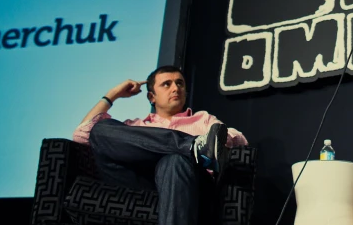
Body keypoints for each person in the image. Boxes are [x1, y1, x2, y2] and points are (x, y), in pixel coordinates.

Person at [73, 65, 248, 225]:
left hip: (187, 182)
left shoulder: (203, 119)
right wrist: (113, 94)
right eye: (167, 84)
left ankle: (191, 150)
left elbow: (238, 139)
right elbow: (82, 134)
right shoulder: (136, 127)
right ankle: (192, 147)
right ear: (151, 96)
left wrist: (218, 140)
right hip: (142, 184)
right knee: (100, 129)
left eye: (180, 83)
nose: (175, 88)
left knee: (174, 162)